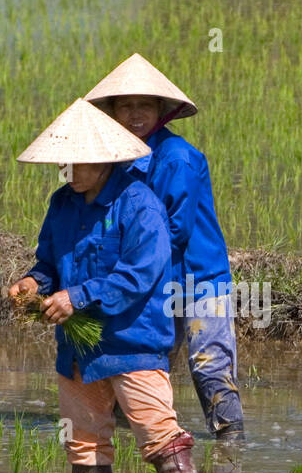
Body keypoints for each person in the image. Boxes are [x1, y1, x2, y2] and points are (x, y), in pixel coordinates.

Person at [7, 98, 205, 473]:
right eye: (64, 163)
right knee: (84, 443)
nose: (69, 172)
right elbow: (48, 264)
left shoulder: (139, 205)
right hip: (78, 351)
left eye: (78, 163)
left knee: (160, 437)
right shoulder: (62, 204)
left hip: (132, 343)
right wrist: (31, 283)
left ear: (105, 159)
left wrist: (77, 297)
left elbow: (140, 274)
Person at [85, 54, 245, 441]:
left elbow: (174, 232)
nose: (135, 114)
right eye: (126, 105)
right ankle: (144, 441)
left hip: (198, 277)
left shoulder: (178, 159)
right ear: (114, 112)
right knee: (144, 365)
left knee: (209, 365)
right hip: (153, 279)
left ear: (161, 111)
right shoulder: (118, 163)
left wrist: (125, 277)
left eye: (145, 105)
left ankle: (232, 446)